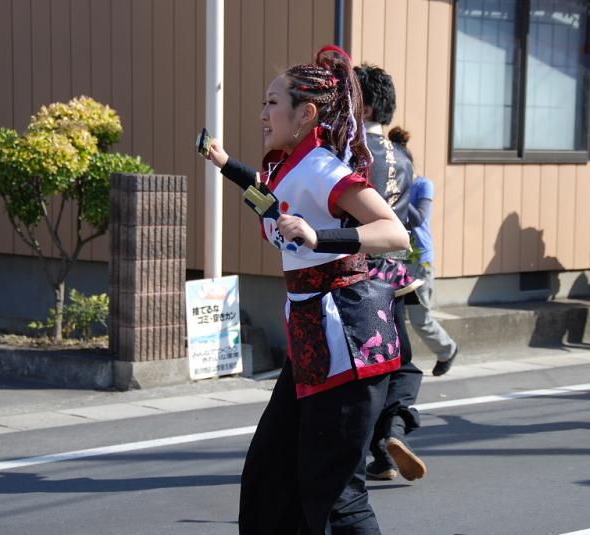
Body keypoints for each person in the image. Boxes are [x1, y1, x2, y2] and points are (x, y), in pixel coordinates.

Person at [205, 45, 410, 534]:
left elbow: (393, 233)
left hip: (348, 344)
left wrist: (322, 236)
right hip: (313, 342)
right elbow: (269, 200)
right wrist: (224, 162)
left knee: (335, 494)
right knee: (269, 479)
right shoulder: (288, 167)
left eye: (272, 103)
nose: (262, 114)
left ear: (306, 114)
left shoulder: (322, 167)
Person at [353, 64, 427, 483]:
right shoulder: (403, 157)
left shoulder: (351, 153)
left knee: (363, 367)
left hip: (357, 272)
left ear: (363, 104)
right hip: (395, 274)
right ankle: (390, 440)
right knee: (400, 363)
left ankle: (364, 449)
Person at [388, 126, 459, 376]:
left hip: (420, 261)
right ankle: (392, 365)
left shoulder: (422, 185)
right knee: (390, 316)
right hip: (395, 258)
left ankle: (446, 349)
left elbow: (418, 219)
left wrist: (400, 194)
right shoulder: (390, 187)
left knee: (419, 318)